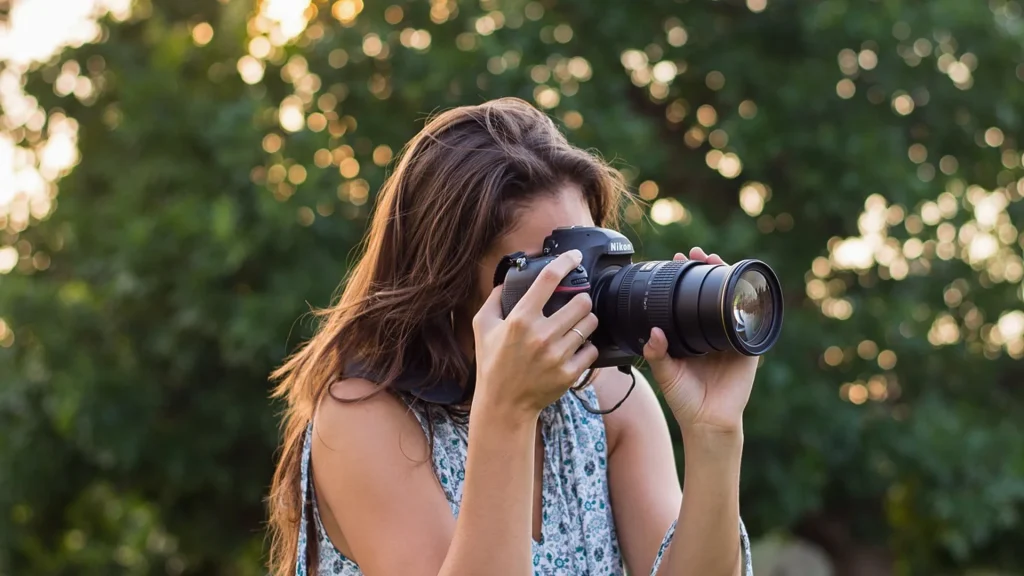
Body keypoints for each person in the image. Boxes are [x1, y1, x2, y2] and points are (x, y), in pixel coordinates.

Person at [267, 97, 756, 576]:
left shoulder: (605, 401)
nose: (582, 294)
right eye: (555, 271)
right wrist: (506, 415)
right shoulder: (363, 419)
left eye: (591, 260)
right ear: (448, 285)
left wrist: (714, 433)